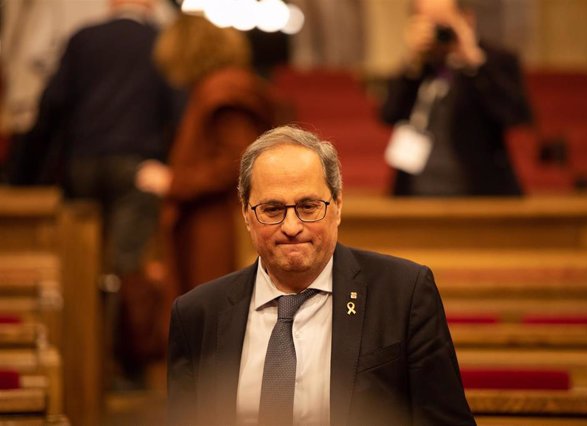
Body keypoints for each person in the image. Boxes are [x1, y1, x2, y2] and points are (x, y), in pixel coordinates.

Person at [167, 125, 475, 425]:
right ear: (247, 215)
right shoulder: (198, 314)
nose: (291, 227)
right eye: (273, 210)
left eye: (308, 206)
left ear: (337, 206)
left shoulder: (403, 295)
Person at [6, 0, 182, 384]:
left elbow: (51, 106)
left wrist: (20, 178)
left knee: (80, 263)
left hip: (82, 164)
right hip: (137, 165)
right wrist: (174, 165)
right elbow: (178, 108)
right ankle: (122, 367)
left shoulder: (83, 39)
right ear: (149, 5)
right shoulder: (159, 40)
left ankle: (79, 363)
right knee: (127, 264)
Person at [137, 15, 281, 346]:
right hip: (205, 222)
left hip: (214, 226)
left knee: (214, 325)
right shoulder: (218, 87)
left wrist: (173, 181)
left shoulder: (223, 91)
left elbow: (237, 161)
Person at [381, 0, 532, 196]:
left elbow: (515, 114)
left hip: (479, 194)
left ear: (467, 19)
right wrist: (412, 62)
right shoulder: (419, 68)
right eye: (427, 22)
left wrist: (474, 62)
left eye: (442, 22)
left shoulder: (495, 62)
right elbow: (389, 113)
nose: (437, 32)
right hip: (417, 195)